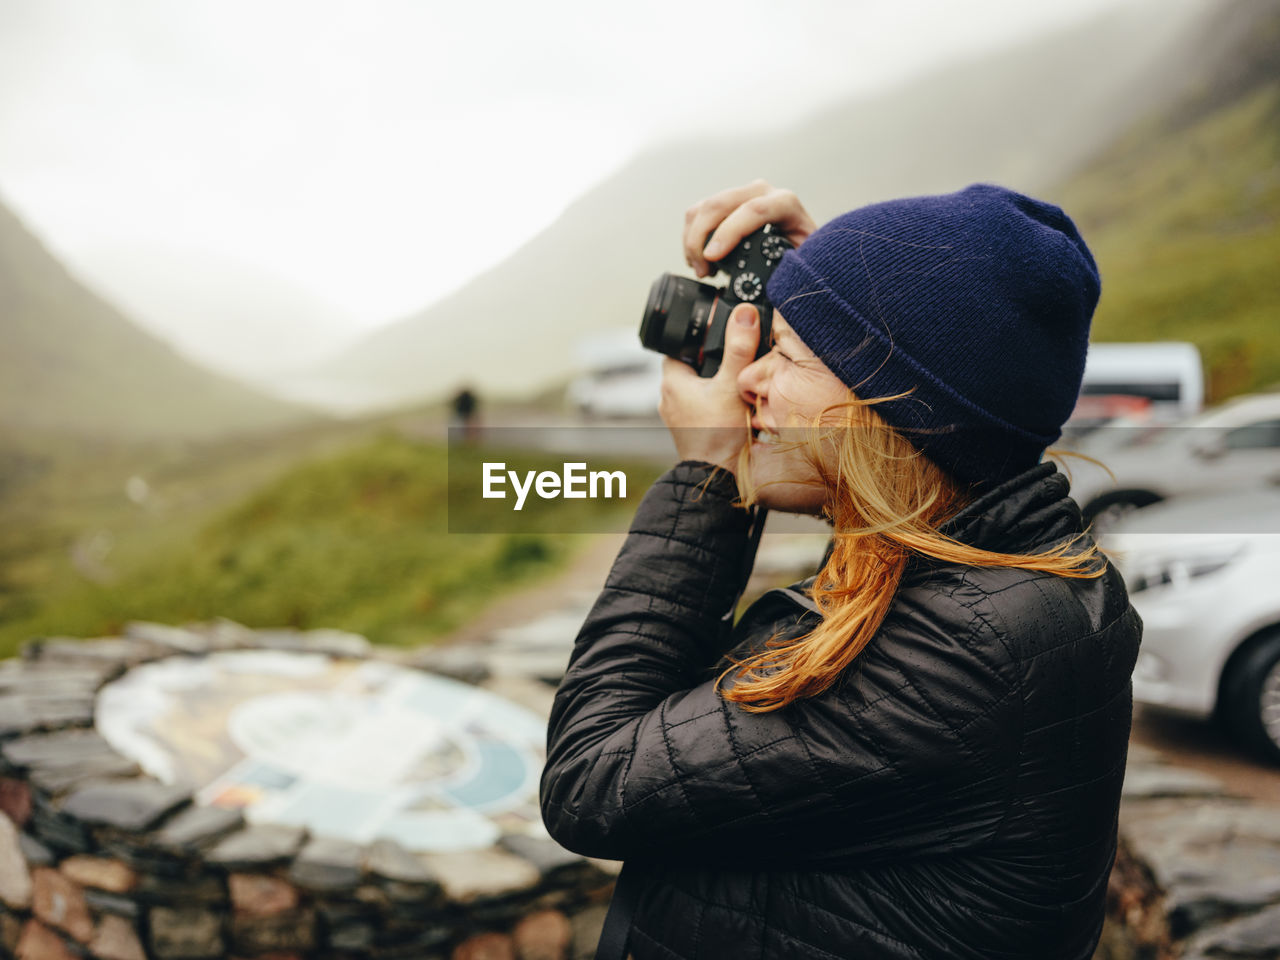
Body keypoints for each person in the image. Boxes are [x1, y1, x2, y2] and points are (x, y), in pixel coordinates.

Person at [540, 181, 1142, 960]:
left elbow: (591, 778)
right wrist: (837, 284)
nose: (747, 379)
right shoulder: (982, 581)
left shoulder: (970, 651)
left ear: (890, 409)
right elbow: (917, 397)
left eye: (785, 353)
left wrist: (709, 474)